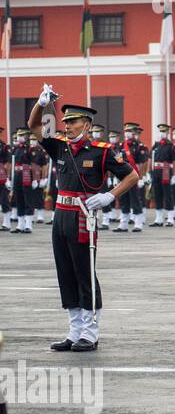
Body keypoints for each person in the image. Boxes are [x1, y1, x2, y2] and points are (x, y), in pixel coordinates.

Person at [27, 90, 139, 352]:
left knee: (84, 273)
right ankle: (74, 331)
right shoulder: (59, 146)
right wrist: (41, 104)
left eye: (72, 122)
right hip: (60, 216)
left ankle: (90, 332)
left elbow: (132, 176)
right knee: (65, 273)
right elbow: (33, 125)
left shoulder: (103, 151)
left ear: (86, 125)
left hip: (83, 217)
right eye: (65, 122)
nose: (66, 126)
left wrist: (108, 197)